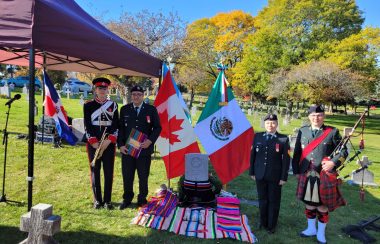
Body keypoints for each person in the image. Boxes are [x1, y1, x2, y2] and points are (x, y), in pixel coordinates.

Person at [292, 105, 348, 244]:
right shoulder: (303, 131)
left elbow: (344, 151)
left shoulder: (332, 132)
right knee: (309, 203)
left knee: (322, 205)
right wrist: (296, 171)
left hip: (323, 174)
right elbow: (297, 153)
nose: (316, 118)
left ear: (324, 116)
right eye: (313, 115)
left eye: (319, 115)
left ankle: (321, 233)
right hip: (306, 172)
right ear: (309, 117)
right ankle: (311, 229)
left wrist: (333, 163)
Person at [118, 85, 161, 209]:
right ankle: (127, 199)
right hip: (128, 149)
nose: (136, 96)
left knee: (143, 176)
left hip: (144, 149)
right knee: (127, 175)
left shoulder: (151, 110)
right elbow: (121, 128)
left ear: (143, 96)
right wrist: (120, 145)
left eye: (139, 94)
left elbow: (157, 127)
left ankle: (142, 199)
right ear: (131, 96)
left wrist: (150, 141)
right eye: (134, 94)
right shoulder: (125, 109)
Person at [249, 114, 290, 234]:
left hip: (275, 176)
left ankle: (271, 225)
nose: (270, 125)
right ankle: (263, 221)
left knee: (273, 200)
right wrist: (252, 171)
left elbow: (286, 160)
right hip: (259, 174)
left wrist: (284, 177)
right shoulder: (258, 136)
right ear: (264, 124)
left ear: (277, 124)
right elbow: (253, 156)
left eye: (273, 123)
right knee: (262, 199)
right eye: (268, 123)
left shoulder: (283, 139)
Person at [83, 77, 119, 210]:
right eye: (100, 88)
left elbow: (115, 125)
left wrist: (109, 140)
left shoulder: (113, 105)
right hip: (94, 143)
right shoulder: (88, 105)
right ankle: (97, 200)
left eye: (104, 88)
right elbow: (87, 124)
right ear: (95, 90)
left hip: (109, 143)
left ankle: (108, 201)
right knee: (95, 171)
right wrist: (93, 142)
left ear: (107, 89)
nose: (102, 91)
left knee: (108, 171)